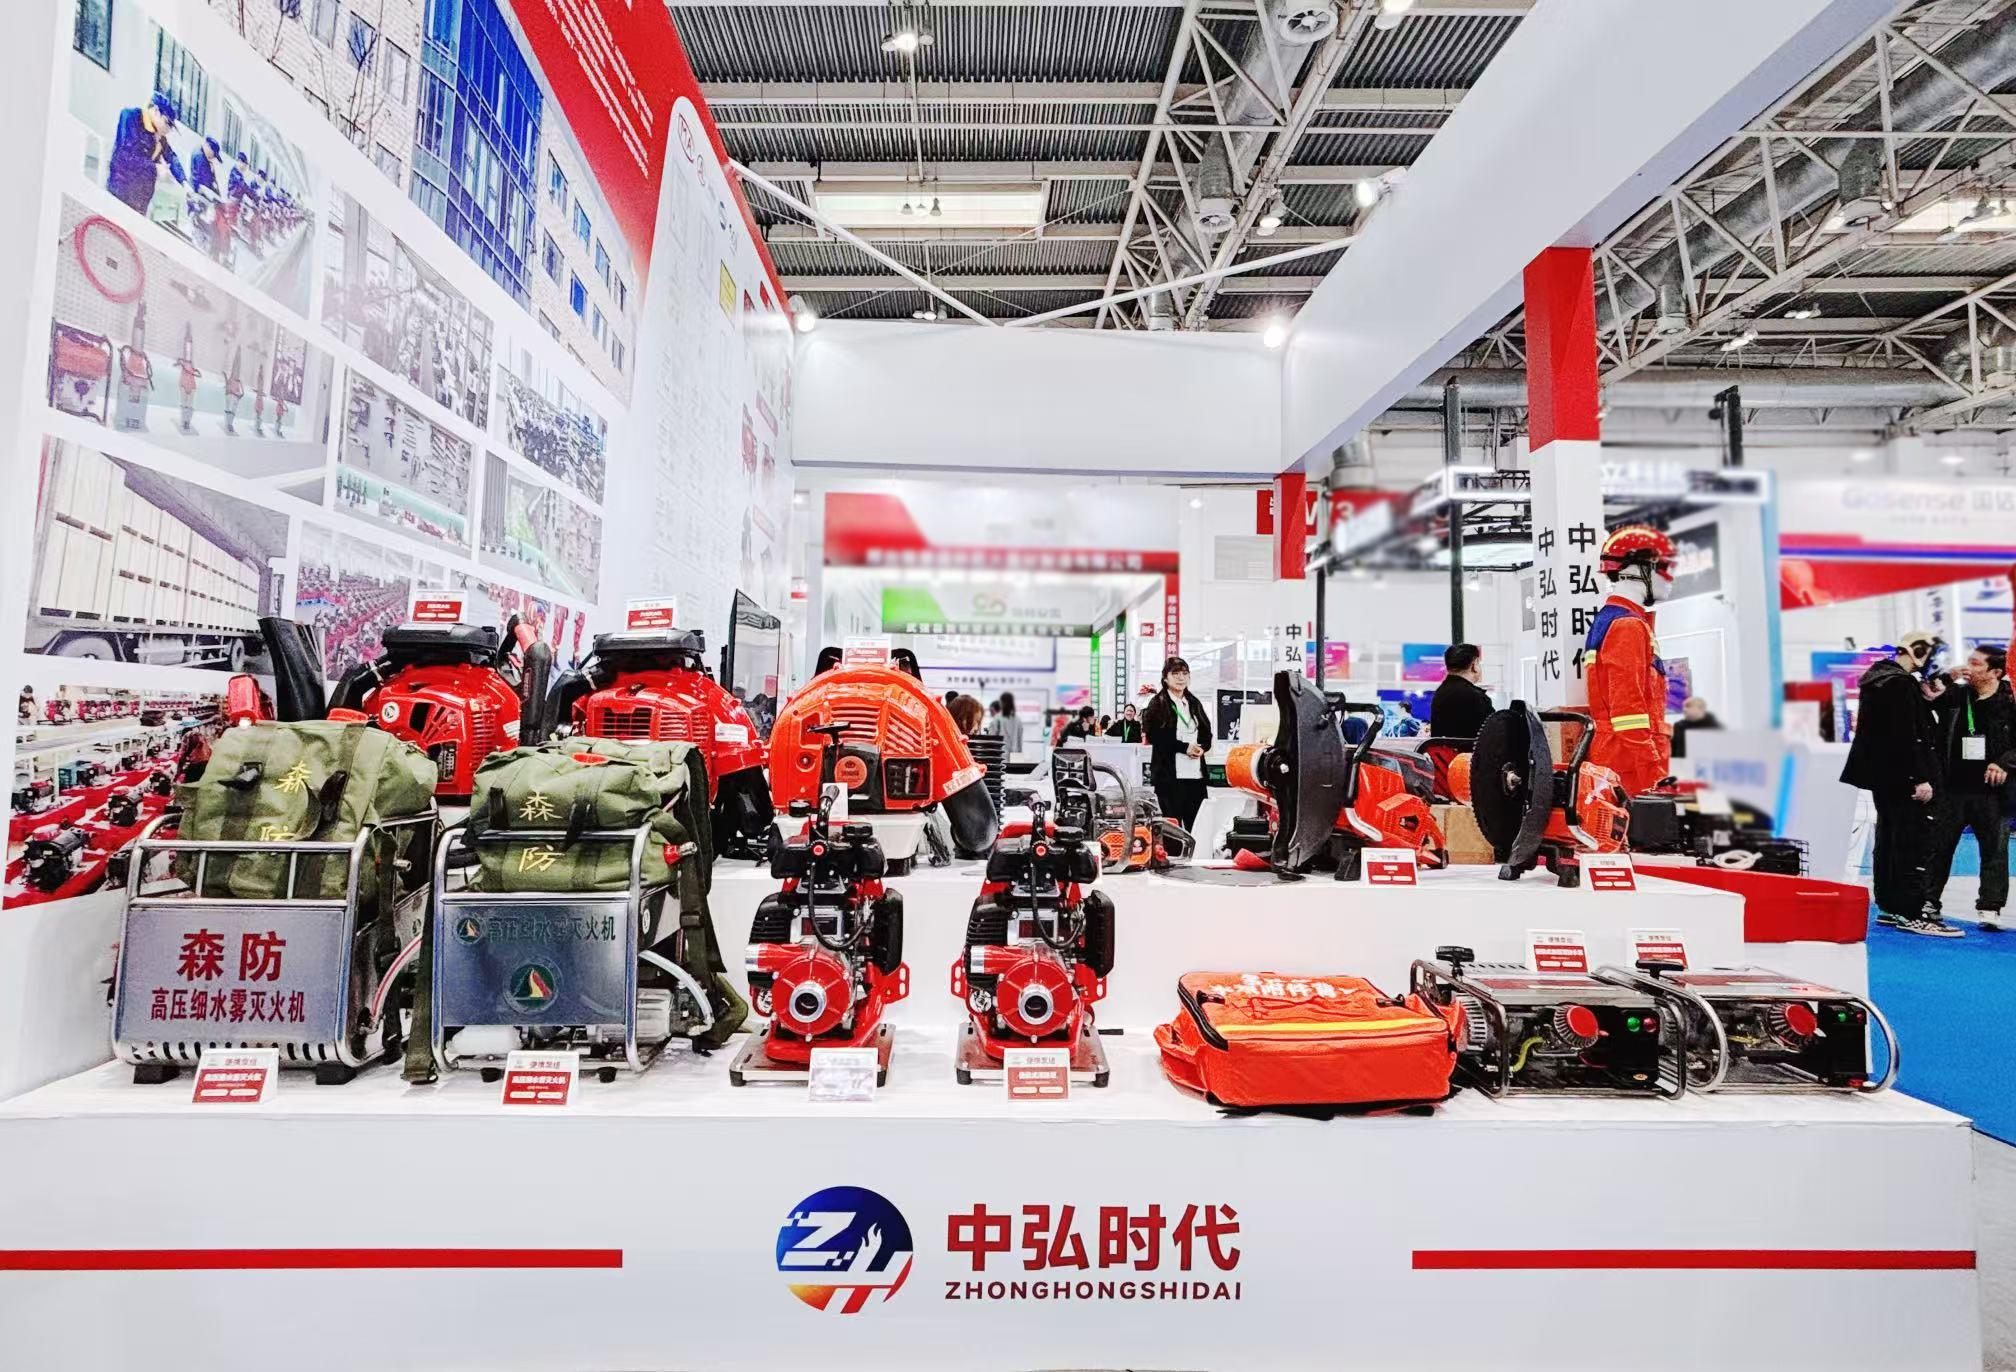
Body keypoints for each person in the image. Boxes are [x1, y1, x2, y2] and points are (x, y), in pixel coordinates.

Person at [1841, 631, 1951, 935]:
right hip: (1905, 777)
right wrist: (1920, 778)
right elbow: (1906, 736)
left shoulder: (1878, 680)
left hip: (1885, 777)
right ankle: (1911, 912)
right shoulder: (1900, 684)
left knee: (1890, 840)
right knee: (1911, 844)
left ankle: (1890, 906)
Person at [1925, 645, 2016, 931]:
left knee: (1995, 850)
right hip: (1952, 788)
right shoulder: (1957, 694)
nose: (1969, 667)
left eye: (1976, 664)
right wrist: (1947, 677)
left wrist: (2005, 762)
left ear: (1995, 672)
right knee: (1939, 847)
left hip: (1993, 791)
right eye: (1968, 662)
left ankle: (1990, 905)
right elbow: (1925, 697)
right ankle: (1929, 900)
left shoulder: (2010, 701)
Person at [1583, 525, 1677, 795]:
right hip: (1630, 768)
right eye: (1664, 567)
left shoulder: (1617, 621)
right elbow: (1628, 713)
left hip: (1622, 760)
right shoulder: (1627, 626)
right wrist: (1654, 773)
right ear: (1637, 570)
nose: (1670, 578)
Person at [1144, 656, 1211, 832]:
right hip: (1169, 778)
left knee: (1197, 827)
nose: (1181, 678)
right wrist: (1184, 747)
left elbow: (1207, 733)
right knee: (1173, 829)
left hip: (1195, 776)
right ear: (1165, 678)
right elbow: (1154, 736)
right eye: (1175, 673)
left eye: (1185, 673)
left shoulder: (1194, 702)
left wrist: (1202, 748)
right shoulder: (1158, 703)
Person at [106, 92, 185, 217]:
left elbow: (171, 157)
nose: (168, 129)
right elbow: (124, 157)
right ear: (155, 111)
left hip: (142, 198)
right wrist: (155, 168)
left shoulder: (158, 135)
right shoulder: (130, 117)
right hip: (122, 190)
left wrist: (184, 181)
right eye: (167, 123)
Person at [1428, 643, 1493, 739]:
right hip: (1471, 749)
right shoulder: (1477, 698)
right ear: (1474, 665)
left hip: (1443, 749)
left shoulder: (1440, 693)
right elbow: (1493, 736)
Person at [996, 692, 1024, 758]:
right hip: (1014, 755)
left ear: (1002, 703)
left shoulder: (997, 719)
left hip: (1002, 756)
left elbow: (992, 739)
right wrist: (1020, 754)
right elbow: (1020, 740)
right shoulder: (1018, 720)